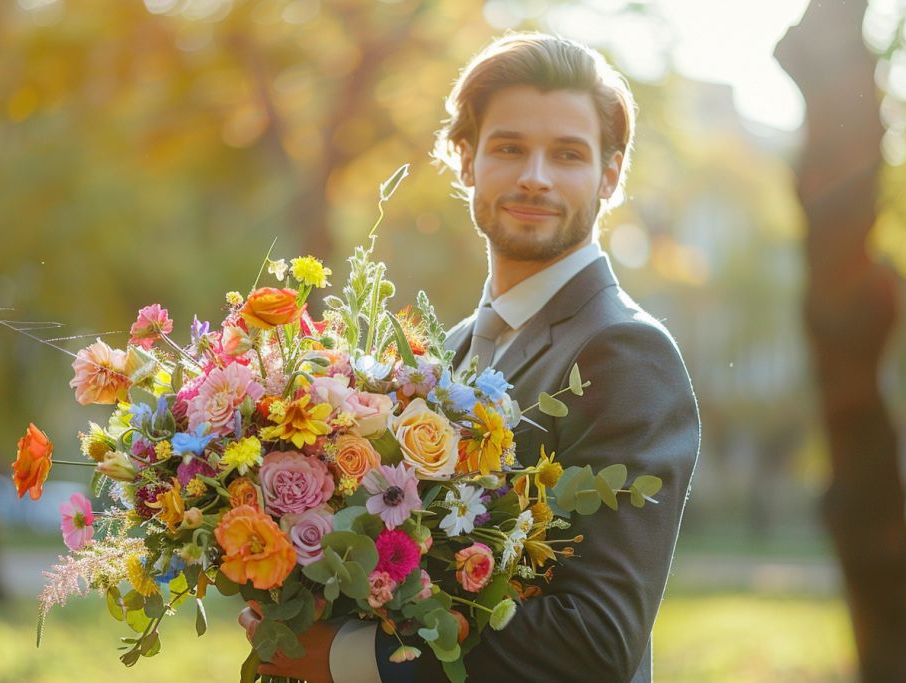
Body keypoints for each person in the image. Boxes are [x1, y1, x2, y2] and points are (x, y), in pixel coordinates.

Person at [240, 32, 701, 683]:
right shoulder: (446, 349)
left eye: (567, 153)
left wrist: (345, 658)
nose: (534, 175)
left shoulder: (627, 356)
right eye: (509, 147)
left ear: (610, 173)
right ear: (466, 158)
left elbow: (597, 641)